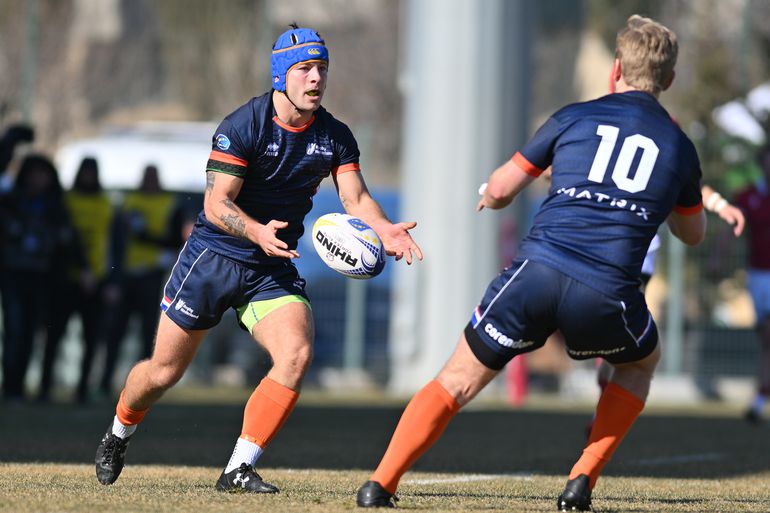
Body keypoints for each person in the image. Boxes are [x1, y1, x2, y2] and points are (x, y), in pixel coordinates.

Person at [356, 15, 704, 511]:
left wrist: (491, 198)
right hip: (604, 293)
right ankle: (580, 480)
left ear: (615, 71)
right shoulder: (679, 148)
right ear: (668, 81)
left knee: (456, 379)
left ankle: (380, 484)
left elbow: (500, 188)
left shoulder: (573, 117)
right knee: (639, 364)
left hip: (534, 275)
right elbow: (692, 235)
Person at [94, 24, 422, 492]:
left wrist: (384, 227)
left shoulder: (336, 136)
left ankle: (238, 467)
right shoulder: (242, 126)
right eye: (305, 69)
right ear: (280, 77)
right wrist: (254, 230)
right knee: (164, 372)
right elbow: (215, 204)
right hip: (213, 258)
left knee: (296, 353)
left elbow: (356, 199)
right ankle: (118, 431)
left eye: (322, 69)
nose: (316, 79)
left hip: (270, 267)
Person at [0, 153, 79, 401]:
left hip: (42, 278)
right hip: (14, 274)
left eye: (42, 175)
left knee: (30, 332)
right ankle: (11, 386)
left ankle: (21, 386)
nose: (38, 180)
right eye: (34, 174)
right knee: (14, 329)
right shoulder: (11, 201)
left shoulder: (55, 206)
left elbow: (66, 241)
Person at [38, 156, 117, 403]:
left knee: (91, 339)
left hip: (96, 280)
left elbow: (114, 244)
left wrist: (110, 279)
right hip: (67, 281)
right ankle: (45, 388)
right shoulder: (67, 201)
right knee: (54, 337)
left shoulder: (106, 204)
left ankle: (83, 390)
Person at [99, 164, 177, 397]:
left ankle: (144, 386)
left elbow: (173, 240)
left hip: (151, 275)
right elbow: (116, 240)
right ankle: (105, 383)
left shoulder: (169, 204)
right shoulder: (128, 202)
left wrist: (147, 237)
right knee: (116, 333)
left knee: (148, 335)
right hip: (126, 276)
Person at [733, 145, 770, 423]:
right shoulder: (748, 195)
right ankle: (760, 398)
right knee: (766, 341)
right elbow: (730, 226)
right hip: (757, 275)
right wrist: (717, 257)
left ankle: (758, 400)